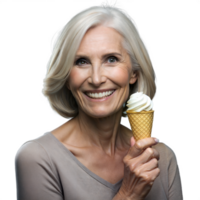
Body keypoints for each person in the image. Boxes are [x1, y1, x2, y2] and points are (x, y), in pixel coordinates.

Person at [13, 1, 184, 200]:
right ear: (67, 77)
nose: (96, 79)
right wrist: (129, 194)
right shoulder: (38, 158)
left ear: (133, 73)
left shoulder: (162, 158)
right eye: (81, 62)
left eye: (111, 59)